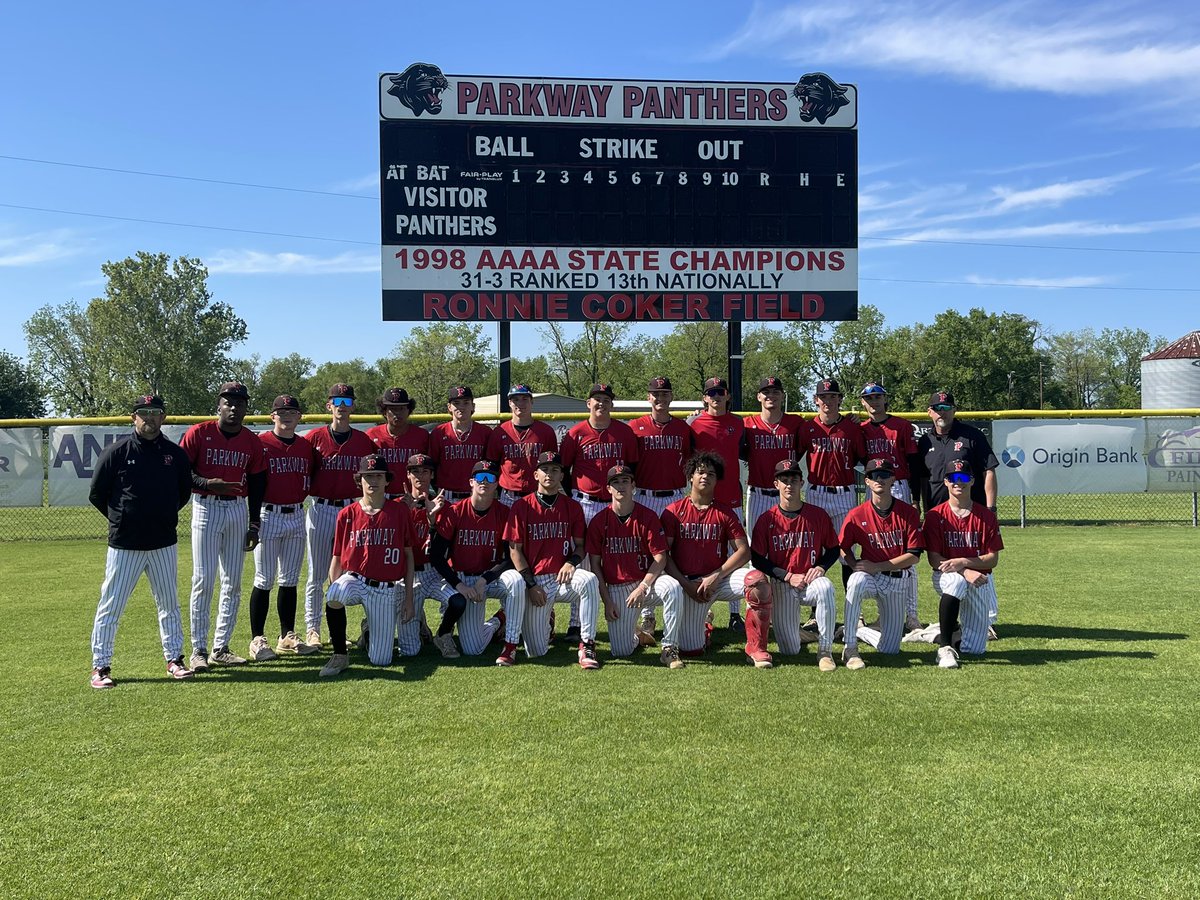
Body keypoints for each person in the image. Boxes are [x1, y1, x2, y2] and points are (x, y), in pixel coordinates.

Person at [88, 394, 195, 688]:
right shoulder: (116, 451)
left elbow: (183, 493)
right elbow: (97, 494)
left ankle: (175, 659)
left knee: (169, 603)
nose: (149, 417)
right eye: (143, 412)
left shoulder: (174, 454)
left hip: (163, 542)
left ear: (163, 417)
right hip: (125, 544)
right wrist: (122, 518)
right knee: (111, 604)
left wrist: (162, 517)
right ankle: (100, 666)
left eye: (155, 412)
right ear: (133, 417)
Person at [180, 381, 267, 671]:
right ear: (218, 405)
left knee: (232, 582)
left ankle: (221, 647)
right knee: (203, 580)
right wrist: (205, 483)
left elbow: (257, 484)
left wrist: (254, 523)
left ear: (245, 408)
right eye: (228, 401)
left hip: (236, 511)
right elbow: (181, 474)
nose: (233, 407)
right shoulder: (199, 433)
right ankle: (198, 650)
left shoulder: (252, 442)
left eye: (239, 402)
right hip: (206, 508)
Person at [499, 451, 602, 669]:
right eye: (545, 470)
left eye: (555, 470)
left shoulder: (572, 506)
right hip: (536, 580)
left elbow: (581, 546)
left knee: (590, 581)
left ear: (562, 475)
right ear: (536, 474)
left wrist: (571, 562)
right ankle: (545, 623)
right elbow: (514, 550)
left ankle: (587, 644)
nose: (550, 474)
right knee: (536, 651)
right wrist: (531, 584)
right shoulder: (521, 506)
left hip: (563, 578)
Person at [319, 453, 417, 677]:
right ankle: (340, 655)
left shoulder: (400, 511)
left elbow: (409, 556)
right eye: (368, 476)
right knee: (334, 594)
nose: (373, 481)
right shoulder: (347, 514)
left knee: (381, 660)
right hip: (356, 580)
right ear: (359, 480)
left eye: (378, 476)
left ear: (386, 480)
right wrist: (334, 590)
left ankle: (369, 630)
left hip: (384, 587)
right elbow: (337, 557)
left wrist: (409, 599)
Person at [559, 381, 639, 642]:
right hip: (585, 501)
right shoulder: (576, 433)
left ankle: (635, 619)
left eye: (606, 399)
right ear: (588, 403)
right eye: (596, 399)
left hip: (615, 504)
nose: (601, 403)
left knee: (620, 556)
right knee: (582, 563)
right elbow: (564, 469)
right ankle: (576, 623)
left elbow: (632, 468)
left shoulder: (624, 433)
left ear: (611, 404)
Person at [661, 452, 760, 664]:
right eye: (700, 472)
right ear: (691, 477)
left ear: (717, 480)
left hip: (717, 581)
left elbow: (744, 551)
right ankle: (705, 627)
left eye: (711, 474)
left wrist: (716, 575)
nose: (705, 477)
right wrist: (685, 584)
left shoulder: (724, 512)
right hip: (687, 582)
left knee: (757, 581)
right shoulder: (673, 511)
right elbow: (664, 555)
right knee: (691, 650)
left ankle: (756, 647)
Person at [586, 464, 686, 668]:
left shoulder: (647, 516)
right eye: (615, 482)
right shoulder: (599, 521)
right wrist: (607, 601)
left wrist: (643, 586)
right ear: (608, 489)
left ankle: (669, 649)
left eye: (625, 481)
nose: (620, 486)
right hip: (618, 588)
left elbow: (660, 558)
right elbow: (595, 565)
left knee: (673, 588)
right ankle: (638, 635)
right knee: (621, 652)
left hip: (647, 584)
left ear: (634, 486)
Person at [301, 383, 377, 649]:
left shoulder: (363, 441)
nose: (342, 406)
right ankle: (313, 629)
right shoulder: (314, 438)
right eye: (337, 401)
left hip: (350, 510)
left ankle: (338, 630)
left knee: (347, 574)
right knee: (317, 574)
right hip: (321, 508)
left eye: (347, 401)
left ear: (353, 406)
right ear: (329, 406)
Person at [747, 460, 840, 670]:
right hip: (783, 583)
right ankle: (803, 633)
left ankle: (825, 651)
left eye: (794, 480)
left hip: (810, 579)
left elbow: (833, 548)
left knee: (826, 587)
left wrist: (822, 567)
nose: (789, 485)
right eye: (784, 480)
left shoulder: (818, 515)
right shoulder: (766, 519)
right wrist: (787, 576)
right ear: (776, 484)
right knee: (789, 650)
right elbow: (758, 558)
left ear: (802, 483)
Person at [247, 394, 320, 660]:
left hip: (297, 514)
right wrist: (253, 521)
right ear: (272, 416)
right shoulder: (260, 443)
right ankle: (257, 639)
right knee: (263, 579)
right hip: (269, 514)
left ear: (300, 417)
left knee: (289, 580)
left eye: (292, 411)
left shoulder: (305, 446)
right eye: (281, 411)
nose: (287, 416)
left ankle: (287, 635)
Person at [428, 459, 523, 657]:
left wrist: (485, 579)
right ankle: (499, 619)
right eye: (480, 477)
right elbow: (437, 556)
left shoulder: (505, 513)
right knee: (473, 649)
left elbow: (510, 558)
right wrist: (458, 585)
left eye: (490, 478)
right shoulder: (455, 512)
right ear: (471, 482)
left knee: (517, 581)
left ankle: (512, 640)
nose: (485, 481)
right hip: (464, 579)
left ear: (497, 483)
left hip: (490, 577)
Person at [838, 458, 924, 666]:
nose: (880, 479)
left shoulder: (908, 513)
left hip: (896, 580)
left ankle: (860, 632)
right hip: (870, 577)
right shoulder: (856, 514)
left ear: (893, 479)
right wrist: (853, 564)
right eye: (874, 476)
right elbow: (842, 546)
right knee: (856, 581)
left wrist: (878, 566)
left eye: (885, 475)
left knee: (890, 649)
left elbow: (914, 555)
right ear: (867, 481)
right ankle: (850, 647)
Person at [922, 459, 1004, 669]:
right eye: (953, 478)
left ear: (973, 481)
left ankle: (936, 633)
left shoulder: (986, 516)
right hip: (945, 574)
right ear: (946, 482)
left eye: (964, 477)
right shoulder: (934, 515)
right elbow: (934, 559)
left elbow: (993, 558)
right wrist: (964, 570)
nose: (959, 482)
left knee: (975, 649)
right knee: (956, 583)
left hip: (979, 579)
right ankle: (945, 647)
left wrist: (964, 563)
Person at [628, 375, 693, 636]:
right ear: (648, 397)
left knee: (677, 552)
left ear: (671, 397)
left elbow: (689, 462)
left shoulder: (682, 429)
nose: (660, 398)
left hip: (675, 497)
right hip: (644, 495)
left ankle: (680, 609)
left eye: (665, 393)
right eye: (656, 394)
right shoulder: (636, 427)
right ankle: (647, 615)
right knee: (646, 553)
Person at [858, 380, 923, 630]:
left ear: (885, 400)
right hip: (873, 487)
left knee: (907, 551)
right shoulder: (862, 429)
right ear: (863, 403)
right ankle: (881, 613)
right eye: (869, 398)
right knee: (873, 547)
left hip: (899, 485)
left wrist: (915, 500)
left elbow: (914, 464)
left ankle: (912, 615)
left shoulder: (902, 426)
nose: (874, 402)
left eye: (877, 397)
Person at [686, 376, 746, 632]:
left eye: (720, 391)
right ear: (704, 397)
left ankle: (735, 614)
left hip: (731, 496)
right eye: (711, 392)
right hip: (704, 500)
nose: (716, 396)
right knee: (701, 550)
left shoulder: (738, 423)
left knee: (736, 554)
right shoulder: (693, 424)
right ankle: (704, 606)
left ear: (728, 396)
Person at [797, 377, 866, 536]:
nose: (828, 401)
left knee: (846, 548)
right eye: (823, 397)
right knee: (815, 546)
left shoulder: (852, 428)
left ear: (840, 399)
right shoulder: (807, 428)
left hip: (844, 492)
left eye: (832, 396)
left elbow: (862, 457)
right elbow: (794, 456)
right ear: (816, 400)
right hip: (816, 492)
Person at [914, 389, 999, 514]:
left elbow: (988, 471)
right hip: (937, 514)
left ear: (954, 410)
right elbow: (923, 479)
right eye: (937, 408)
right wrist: (927, 510)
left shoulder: (972, 436)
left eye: (946, 407)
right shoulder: (925, 441)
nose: (942, 412)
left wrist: (991, 508)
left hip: (971, 512)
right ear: (929, 412)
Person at [743, 375, 803, 533]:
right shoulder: (747, 424)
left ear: (783, 395)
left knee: (788, 544)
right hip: (758, 494)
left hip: (787, 492)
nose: (771, 396)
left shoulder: (796, 423)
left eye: (776, 392)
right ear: (759, 396)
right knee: (755, 548)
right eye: (766, 392)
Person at [486, 383, 558, 507]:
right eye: (516, 400)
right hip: (508, 494)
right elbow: (492, 464)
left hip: (537, 492)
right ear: (510, 403)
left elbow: (553, 466)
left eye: (525, 399)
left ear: (532, 402)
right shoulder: (500, 432)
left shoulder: (546, 431)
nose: (520, 403)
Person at [429, 385, 492, 503]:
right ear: (449, 407)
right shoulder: (439, 432)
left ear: (473, 406)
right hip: (447, 494)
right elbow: (432, 466)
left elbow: (491, 466)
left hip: (475, 493)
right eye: (456, 403)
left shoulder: (485, 432)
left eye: (466, 403)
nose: (461, 407)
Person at [366, 387, 429, 493]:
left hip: (413, 498)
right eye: (393, 409)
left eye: (401, 408)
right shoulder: (371, 435)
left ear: (409, 410)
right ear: (384, 411)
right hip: (382, 497)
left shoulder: (422, 435)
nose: (397, 413)